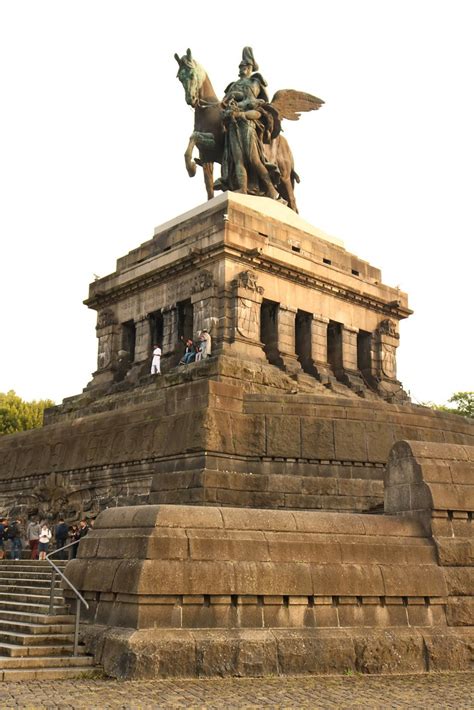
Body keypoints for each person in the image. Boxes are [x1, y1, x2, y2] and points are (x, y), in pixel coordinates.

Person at [219, 47, 282, 202]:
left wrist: (239, 108)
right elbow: (223, 105)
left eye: (245, 67)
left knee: (254, 160)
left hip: (247, 125)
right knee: (238, 159)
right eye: (241, 67)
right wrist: (228, 111)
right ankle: (242, 187)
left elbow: (253, 103)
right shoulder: (232, 85)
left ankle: (272, 190)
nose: (242, 69)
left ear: (251, 68)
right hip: (233, 127)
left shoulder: (255, 82)